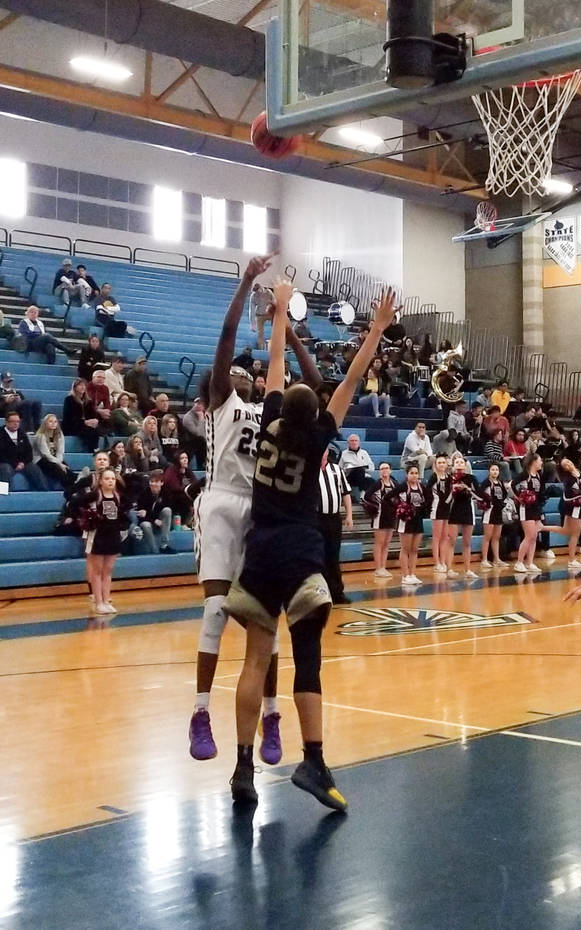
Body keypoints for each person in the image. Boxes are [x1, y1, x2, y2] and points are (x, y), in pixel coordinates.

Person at [224, 281, 398, 811]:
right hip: (301, 556)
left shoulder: (270, 425)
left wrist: (279, 309)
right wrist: (377, 330)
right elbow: (349, 379)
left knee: (255, 662)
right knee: (308, 660)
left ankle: (242, 768)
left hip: (260, 554)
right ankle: (314, 760)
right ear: (316, 416)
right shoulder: (320, 434)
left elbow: (276, 359)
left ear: (279, 411)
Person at [189, 253, 321, 764]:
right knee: (216, 610)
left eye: (249, 371)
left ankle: (270, 716)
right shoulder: (223, 400)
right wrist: (246, 281)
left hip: (261, 511)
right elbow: (226, 338)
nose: (243, 373)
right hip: (223, 502)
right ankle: (200, 712)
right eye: (235, 372)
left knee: (265, 623)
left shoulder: (277, 409)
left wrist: (286, 329)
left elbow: (310, 381)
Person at [80, 467, 128, 614]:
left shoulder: (117, 496)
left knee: (108, 570)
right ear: (100, 481)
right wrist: (87, 517)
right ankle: (98, 602)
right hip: (98, 537)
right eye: (107, 479)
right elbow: (76, 503)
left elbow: (121, 516)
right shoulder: (95, 495)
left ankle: (107, 601)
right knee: (97, 571)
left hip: (112, 536)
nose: (110, 481)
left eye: (113, 479)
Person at [540, 458, 581, 571]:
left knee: (566, 530)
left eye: (568, 461)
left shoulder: (579, 473)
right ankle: (572, 560)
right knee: (575, 534)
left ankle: (542, 527)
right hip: (574, 507)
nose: (568, 463)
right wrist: (577, 498)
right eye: (565, 464)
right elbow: (567, 495)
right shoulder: (568, 479)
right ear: (564, 469)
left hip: (577, 506)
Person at [317, 447, 352, 605]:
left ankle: (337, 592)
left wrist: (349, 515)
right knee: (317, 556)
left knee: (333, 555)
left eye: (324, 450)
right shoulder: (309, 470)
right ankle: (319, 594)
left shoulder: (336, 469)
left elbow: (346, 493)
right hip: (315, 518)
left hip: (334, 518)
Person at [445, 454, 480, 581]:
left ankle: (467, 569)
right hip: (454, 510)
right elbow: (446, 500)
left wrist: (468, 489)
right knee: (451, 541)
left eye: (461, 462)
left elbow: (480, 496)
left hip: (467, 510)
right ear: (453, 465)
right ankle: (449, 569)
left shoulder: (471, 478)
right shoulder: (449, 479)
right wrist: (452, 490)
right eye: (457, 462)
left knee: (467, 542)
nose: (459, 464)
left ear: (465, 465)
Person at [364, 462, 400, 580]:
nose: (384, 470)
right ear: (379, 471)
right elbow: (366, 496)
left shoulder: (394, 484)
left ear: (390, 471)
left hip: (391, 516)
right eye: (382, 469)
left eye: (386, 468)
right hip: (379, 516)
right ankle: (378, 568)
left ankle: (383, 567)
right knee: (379, 543)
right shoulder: (377, 484)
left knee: (386, 543)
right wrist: (375, 505)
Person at [513, 453, 545, 574]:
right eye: (540, 460)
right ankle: (519, 562)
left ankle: (530, 563)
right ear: (533, 462)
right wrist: (519, 498)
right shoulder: (524, 475)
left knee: (534, 536)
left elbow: (541, 493)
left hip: (536, 508)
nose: (541, 463)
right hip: (525, 508)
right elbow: (510, 485)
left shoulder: (538, 475)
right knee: (529, 535)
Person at [0, 411, 48, 490]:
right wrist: (15, 464)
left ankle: (44, 492)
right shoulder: (1, 433)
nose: (16, 424)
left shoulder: (22, 434)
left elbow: (29, 452)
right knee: (6, 469)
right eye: (13, 421)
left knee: (34, 468)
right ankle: (5, 495)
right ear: (6, 422)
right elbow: (1, 455)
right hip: (5, 462)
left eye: (18, 421)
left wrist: (23, 463)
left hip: (21, 463)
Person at [396, 464, 427, 586]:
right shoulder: (403, 486)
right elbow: (388, 497)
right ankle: (405, 575)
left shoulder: (422, 487)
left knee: (415, 549)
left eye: (416, 473)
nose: (414, 475)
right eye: (412, 473)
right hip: (406, 520)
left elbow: (427, 501)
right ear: (407, 475)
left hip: (417, 520)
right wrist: (400, 508)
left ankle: (412, 574)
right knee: (405, 549)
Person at [32, 414, 76, 492]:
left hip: (55, 458)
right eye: (50, 421)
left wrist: (60, 462)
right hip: (41, 459)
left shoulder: (59, 435)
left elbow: (60, 452)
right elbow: (46, 454)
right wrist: (59, 464)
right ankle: (71, 488)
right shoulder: (40, 436)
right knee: (59, 470)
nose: (53, 423)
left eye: (55, 422)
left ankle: (77, 480)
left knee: (66, 468)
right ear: (45, 423)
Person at [479, 462, 510, 569]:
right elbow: (480, 494)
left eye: (496, 470)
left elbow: (504, 496)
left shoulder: (501, 483)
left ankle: (496, 559)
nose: (495, 472)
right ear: (489, 471)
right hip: (489, 511)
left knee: (496, 537)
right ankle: (484, 560)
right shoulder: (486, 483)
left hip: (498, 511)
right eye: (493, 470)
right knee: (487, 537)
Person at [135, 470, 175, 554]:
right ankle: (155, 551)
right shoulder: (144, 494)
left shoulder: (166, 493)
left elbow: (167, 509)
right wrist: (154, 520)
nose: (153, 484)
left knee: (167, 510)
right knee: (146, 525)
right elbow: (141, 514)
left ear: (162, 483)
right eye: (151, 481)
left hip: (161, 522)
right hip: (147, 522)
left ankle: (164, 545)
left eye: (156, 482)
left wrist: (149, 515)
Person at [427, 454, 451, 573]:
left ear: (447, 464)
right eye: (439, 463)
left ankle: (443, 561)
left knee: (445, 537)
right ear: (435, 465)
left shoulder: (449, 477)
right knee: (436, 537)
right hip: (436, 508)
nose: (441, 464)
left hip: (447, 509)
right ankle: (436, 563)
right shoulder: (433, 477)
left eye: (443, 462)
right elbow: (427, 492)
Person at [62, 378, 100, 452]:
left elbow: (93, 415)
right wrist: (84, 422)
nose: (83, 387)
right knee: (90, 431)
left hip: (86, 425)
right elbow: (68, 416)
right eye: (80, 385)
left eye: (84, 385)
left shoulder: (88, 401)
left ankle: (95, 449)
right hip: (72, 425)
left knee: (96, 430)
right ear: (75, 387)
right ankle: (94, 450)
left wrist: (95, 420)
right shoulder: (69, 399)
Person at [162, 449, 194, 524]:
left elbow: (195, 483)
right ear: (177, 460)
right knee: (184, 497)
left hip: (185, 495)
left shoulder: (188, 471)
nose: (185, 460)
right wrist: (189, 489)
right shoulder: (171, 470)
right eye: (182, 458)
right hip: (172, 499)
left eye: (186, 458)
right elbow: (175, 487)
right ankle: (183, 523)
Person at [339, 434, 375, 499]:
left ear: (359, 442)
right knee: (359, 470)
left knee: (370, 480)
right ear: (348, 442)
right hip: (349, 477)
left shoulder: (364, 453)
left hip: (363, 475)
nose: (354, 442)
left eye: (356, 440)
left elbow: (372, 467)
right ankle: (362, 495)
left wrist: (362, 468)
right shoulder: (343, 454)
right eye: (352, 441)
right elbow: (339, 468)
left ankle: (364, 497)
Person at [87, 369, 112, 439]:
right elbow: (88, 404)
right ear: (93, 378)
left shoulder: (105, 388)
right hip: (89, 410)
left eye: (103, 378)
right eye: (99, 377)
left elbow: (107, 402)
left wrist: (107, 411)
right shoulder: (87, 387)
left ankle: (108, 434)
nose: (101, 379)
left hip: (100, 410)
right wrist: (99, 410)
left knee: (110, 415)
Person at [181, 398, 206, 468]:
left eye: (201, 404)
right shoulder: (188, 417)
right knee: (201, 440)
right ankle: (203, 465)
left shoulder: (207, 415)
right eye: (197, 403)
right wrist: (201, 419)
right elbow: (198, 434)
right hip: (190, 443)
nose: (198, 405)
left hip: (203, 442)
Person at [249, 281, 274, 349]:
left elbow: (275, 302)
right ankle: (261, 348)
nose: (257, 293)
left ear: (261, 289)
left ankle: (274, 344)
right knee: (260, 333)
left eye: (258, 292)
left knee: (276, 326)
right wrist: (253, 325)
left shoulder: (268, 292)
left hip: (269, 313)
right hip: (259, 315)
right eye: (255, 292)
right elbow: (251, 310)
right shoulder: (253, 296)